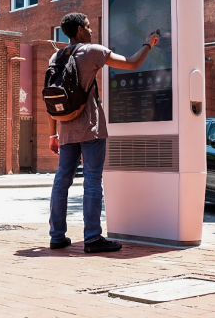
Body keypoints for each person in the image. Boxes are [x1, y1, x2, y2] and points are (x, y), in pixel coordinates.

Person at [48, 13, 158, 254]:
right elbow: (132, 63)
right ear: (78, 29)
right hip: (91, 128)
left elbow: (51, 98)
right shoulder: (92, 51)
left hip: (65, 128)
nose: (91, 31)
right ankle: (92, 238)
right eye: (87, 27)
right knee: (92, 180)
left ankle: (57, 236)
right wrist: (148, 44)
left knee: (61, 181)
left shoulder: (56, 55)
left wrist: (52, 134)